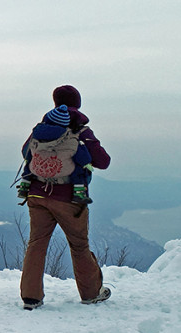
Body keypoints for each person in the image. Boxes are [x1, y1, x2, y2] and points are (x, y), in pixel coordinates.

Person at [18, 85, 111, 310]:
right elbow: (103, 161)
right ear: (77, 103)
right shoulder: (80, 131)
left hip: (37, 193)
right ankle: (90, 293)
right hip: (70, 198)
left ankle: (31, 296)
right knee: (79, 245)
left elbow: (25, 152)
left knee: (37, 243)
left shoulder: (43, 128)